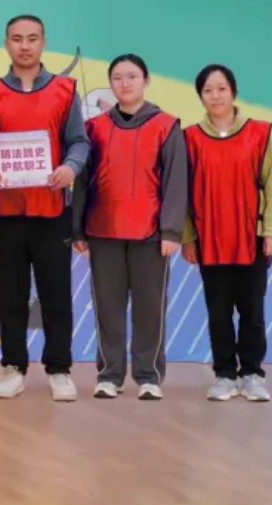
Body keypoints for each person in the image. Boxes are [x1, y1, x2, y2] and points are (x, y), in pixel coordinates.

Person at [0, 14, 88, 402]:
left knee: (56, 294)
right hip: (5, 212)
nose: (24, 45)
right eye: (17, 38)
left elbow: (79, 142)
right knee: (10, 295)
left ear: (43, 43)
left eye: (32, 38)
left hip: (51, 211)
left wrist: (70, 168)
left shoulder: (65, 90)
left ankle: (59, 369)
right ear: (6, 44)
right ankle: (13, 367)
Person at [71, 54, 186, 401]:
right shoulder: (94, 127)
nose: (125, 83)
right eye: (118, 77)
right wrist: (77, 229)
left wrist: (170, 231)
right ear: (110, 83)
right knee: (108, 308)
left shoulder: (166, 125)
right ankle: (110, 374)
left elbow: (176, 182)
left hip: (150, 234)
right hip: (103, 231)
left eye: (132, 76)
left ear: (146, 81)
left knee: (150, 307)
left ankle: (149, 375)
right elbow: (82, 182)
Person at [183, 64, 272, 402]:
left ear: (233, 92)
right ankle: (224, 374)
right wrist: (188, 237)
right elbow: (183, 193)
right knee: (218, 311)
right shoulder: (190, 139)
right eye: (208, 90)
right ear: (200, 96)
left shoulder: (259, 133)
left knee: (253, 310)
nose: (215, 96)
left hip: (251, 238)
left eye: (221, 88)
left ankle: (252, 373)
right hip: (210, 240)